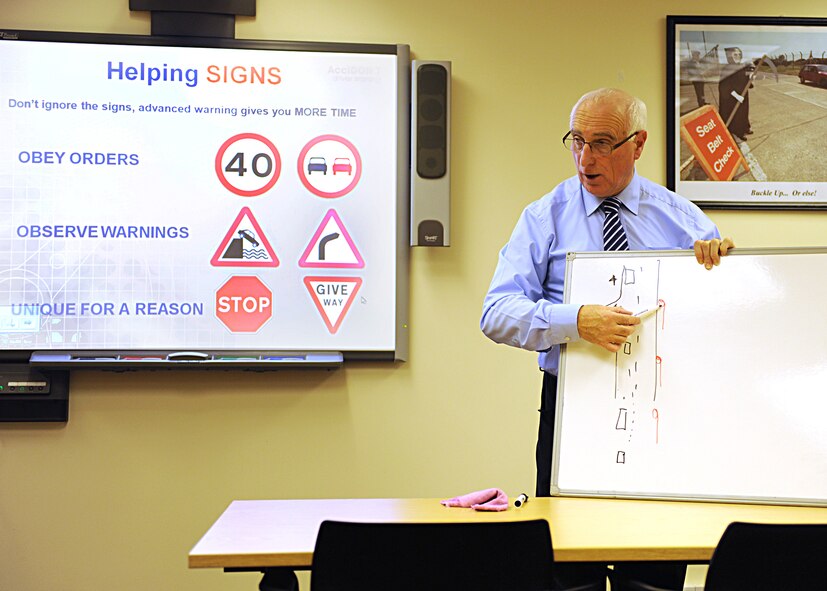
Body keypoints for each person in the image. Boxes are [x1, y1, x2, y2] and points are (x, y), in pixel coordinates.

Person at [480, 88, 734, 591]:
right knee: (570, 575)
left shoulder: (681, 218)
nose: (585, 158)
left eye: (601, 143)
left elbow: (718, 317)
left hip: (661, 415)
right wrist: (575, 321)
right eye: (576, 141)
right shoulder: (544, 217)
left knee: (655, 575)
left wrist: (723, 269)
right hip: (571, 413)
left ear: (637, 145)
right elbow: (496, 313)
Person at [718, 47, 753, 141]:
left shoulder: (742, 67)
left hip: (743, 95)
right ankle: (739, 132)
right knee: (737, 115)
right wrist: (737, 96)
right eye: (735, 55)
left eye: (739, 54)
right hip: (733, 97)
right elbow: (725, 86)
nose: (738, 56)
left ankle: (745, 128)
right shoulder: (726, 69)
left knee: (744, 112)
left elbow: (746, 80)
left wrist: (751, 77)